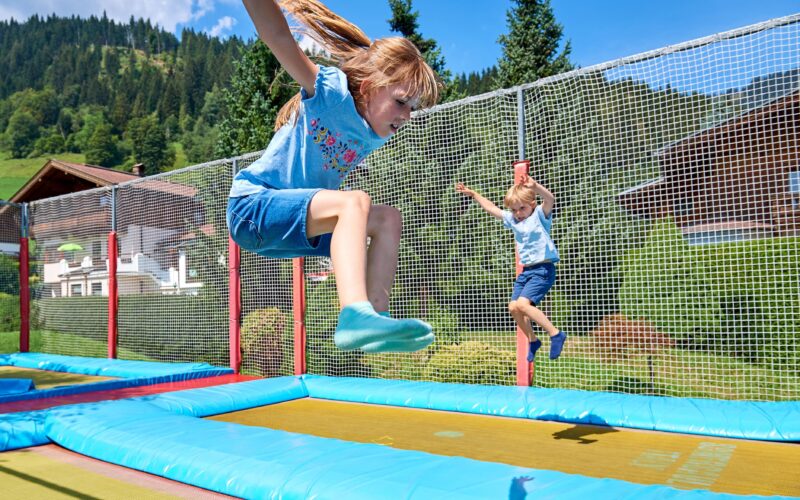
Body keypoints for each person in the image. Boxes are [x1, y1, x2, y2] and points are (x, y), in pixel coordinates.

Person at [228, 0, 440, 353]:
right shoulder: (329, 93)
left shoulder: (374, 134)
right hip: (252, 208)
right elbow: (278, 36)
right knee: (355, 202)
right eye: (402, 102)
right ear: (371, 85)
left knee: (388, 219)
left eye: (413, 108)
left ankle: (374, 320)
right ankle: (355, 313)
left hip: (290, 226)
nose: (407, 116)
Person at [455, 175, 567, 360]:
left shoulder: (540, 215)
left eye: (522, 208)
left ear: (532, 203)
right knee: (514, 308)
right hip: (527, 271)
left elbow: (550, 199)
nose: (518, 213)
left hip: (543, 270)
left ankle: (556, 334)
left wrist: (535, 186)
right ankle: (533, 340)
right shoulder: (514, 221)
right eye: (514, 210)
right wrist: (474, 194)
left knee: (523, 304)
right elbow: (492, 209)